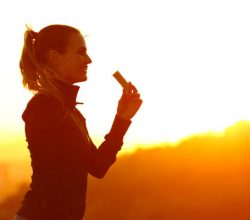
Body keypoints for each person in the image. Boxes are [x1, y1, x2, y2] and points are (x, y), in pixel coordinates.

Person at [14, 24, 142, 220]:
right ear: (54, 57)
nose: (88, 60)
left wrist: (122, 119)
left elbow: (98, 167)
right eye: (81, 53)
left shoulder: (72, 113)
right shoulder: (43, 108)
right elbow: (48, 186)